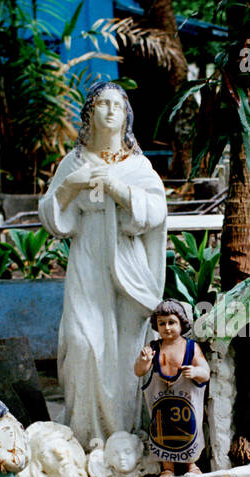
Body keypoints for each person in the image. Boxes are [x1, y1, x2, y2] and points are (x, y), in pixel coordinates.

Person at [41, 81, 167, 450]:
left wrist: (117, 188)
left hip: (127, 264)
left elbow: (156, 211)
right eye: (102, 104)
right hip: (87, 260)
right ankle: (86, 436)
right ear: (89, 113)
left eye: (118, 105)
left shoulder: (137, 165)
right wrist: (72, 186)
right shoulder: (74, 162)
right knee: (82, 343)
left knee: (127, 352)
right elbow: (52, 217)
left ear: (126, 115)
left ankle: (125, 435)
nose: (111, 110)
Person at [134, 299, 209, 476]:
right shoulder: (153, 348)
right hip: (162, 404)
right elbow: (139, 371)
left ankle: (191, 465)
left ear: (181, 323)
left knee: (190, 430)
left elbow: (205, 373)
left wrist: (195, 371)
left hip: (186, 404)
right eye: (162, 323)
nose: (167, 327)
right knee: (163, 434)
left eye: (171, 322)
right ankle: (168, 467)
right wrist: (144, 362)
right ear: (156, 326)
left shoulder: (191, 347)